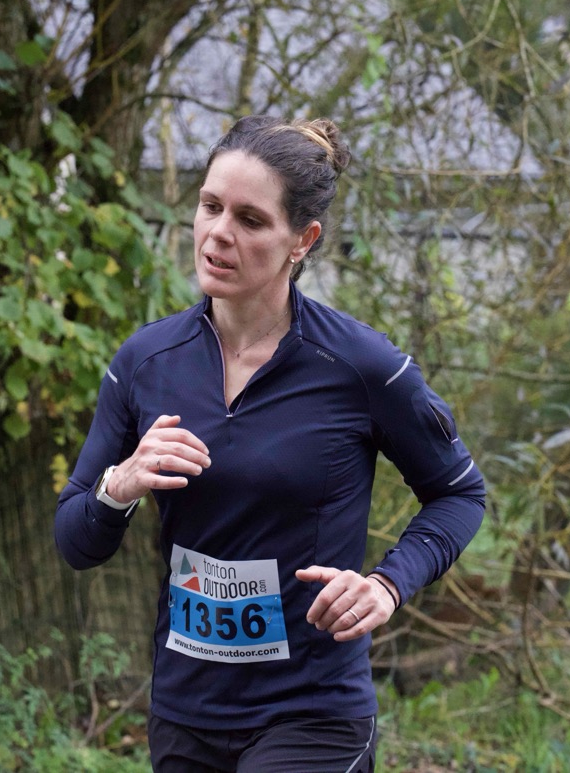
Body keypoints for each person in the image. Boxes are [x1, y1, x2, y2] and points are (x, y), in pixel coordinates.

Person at [54, 115, 486, 772]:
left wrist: (388, 584)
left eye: (250, 220)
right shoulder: (145, 362)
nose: (218, 233)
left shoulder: (361, 367)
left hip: (313, 714)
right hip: (186, 712)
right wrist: (121, 485)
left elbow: (459, 494)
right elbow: (76, 541)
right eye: (210, 206)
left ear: (302, 241)